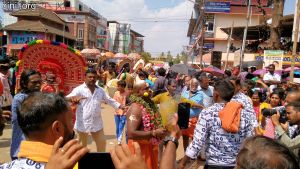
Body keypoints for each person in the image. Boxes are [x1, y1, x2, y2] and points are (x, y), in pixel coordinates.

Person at [1, 92, 89, 169]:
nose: (72, 126)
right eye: (71, 121)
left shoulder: (5, 166)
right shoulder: (74, 164)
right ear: (57, 129)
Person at [179, 80, 254, 169]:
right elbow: (249, 141)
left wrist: (183, 162)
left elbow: (197, 142)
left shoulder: (208, 113)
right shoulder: (244, 114)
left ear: (216, 94)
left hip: (213, 164)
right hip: (236, 165)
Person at [66, 68, 124, 152]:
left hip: (96, 123)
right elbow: (66, 98)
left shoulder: (100, 90)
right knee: (81, 148)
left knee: (102, 143)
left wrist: (120, 106)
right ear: (85, 77)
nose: (92, 79)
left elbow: (108, 99)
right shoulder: (79, 89)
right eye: (89, 77)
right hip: (83, 123)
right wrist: (72, 99)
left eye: (94, 77)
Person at [126, 82, 167, 169]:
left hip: (150, 148)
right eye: (146, 89)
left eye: (149, 88)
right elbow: (130, 133)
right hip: (139, 150)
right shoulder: (135, 108)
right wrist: (154, 133)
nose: (149, 91)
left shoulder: (150, 105)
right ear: (137, 92)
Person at [10, 69, 42, 160]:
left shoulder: (39, 95)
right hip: (22, 146)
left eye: (39, 82)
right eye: (34, 82)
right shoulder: (19, 99)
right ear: (24, 84)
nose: (38, 85)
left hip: (37, 146)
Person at [181, 78, 204, 151]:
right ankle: (186, 152)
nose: (194, 87)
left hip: (194, 119)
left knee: (194, 138)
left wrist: (188, 103)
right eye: (193, 85)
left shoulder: (200, 94)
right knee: (185, 137)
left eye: (196, 85)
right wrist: (193, 104)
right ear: (190, 85)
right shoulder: (185, 92)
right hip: (184, 117)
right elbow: (182, 103)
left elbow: (195, 104)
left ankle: (192, 155)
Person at [113, 80, 128, 144]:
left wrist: (125, 108)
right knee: (117, 127)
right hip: (116, 112)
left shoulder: (126, 94)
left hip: (124, 113)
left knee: (121, 126)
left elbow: (126, 103)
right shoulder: (116, 93)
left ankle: (119, 139)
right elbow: (114, 101)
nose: (117, 87)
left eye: (118, 86)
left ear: (123, 87)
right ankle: (118, 138)